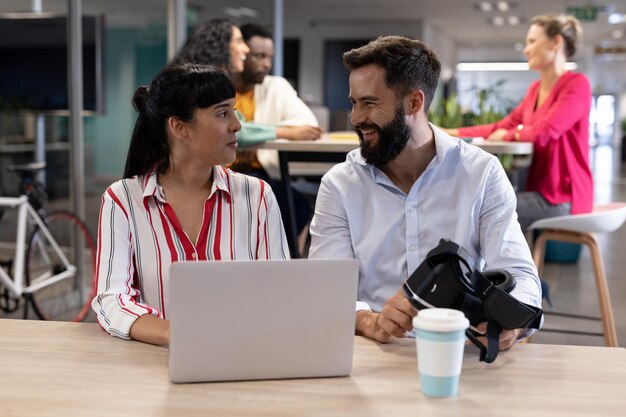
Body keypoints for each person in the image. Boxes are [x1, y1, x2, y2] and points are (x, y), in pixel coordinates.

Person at [308, 36, 541, 350]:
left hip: (461, 350)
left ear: (414, 103)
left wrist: (506, 322)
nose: (355, 118)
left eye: (370, 103)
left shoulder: (481, 173)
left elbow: (520, 275)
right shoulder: (339, 184)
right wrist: (369, 321)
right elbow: (324, 290)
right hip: (374, 352)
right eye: (354, 103)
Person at [92, 63, 289, 346]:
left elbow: (278, 292)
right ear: (179, 127)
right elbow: (111, 300)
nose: (237, 125)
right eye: (222, 113)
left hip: (242, 359)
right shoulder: (122, 200)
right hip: (154, 366)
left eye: (233, 111)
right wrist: (179, 334)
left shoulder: (257, 196)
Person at [443, 14, 592, 231]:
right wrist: (451, 131)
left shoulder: (577, 85)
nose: (525, 50)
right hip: (539, 191)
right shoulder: (535, 91)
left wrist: (511, 134)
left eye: (532, 41)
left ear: (556, 42)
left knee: (480, 208)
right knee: (479, 204)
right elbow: (501, 126)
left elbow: (546, 130)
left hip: (563, 197)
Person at [175, 19, 321, 237]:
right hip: (201, 174)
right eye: (239, 42)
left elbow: (235, 124)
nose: (245, 49)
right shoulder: (201, 85)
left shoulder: (214, 83)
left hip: (216, 172)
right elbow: (235, 128)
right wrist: (284, 131)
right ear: (221, 47)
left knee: (290, 205)